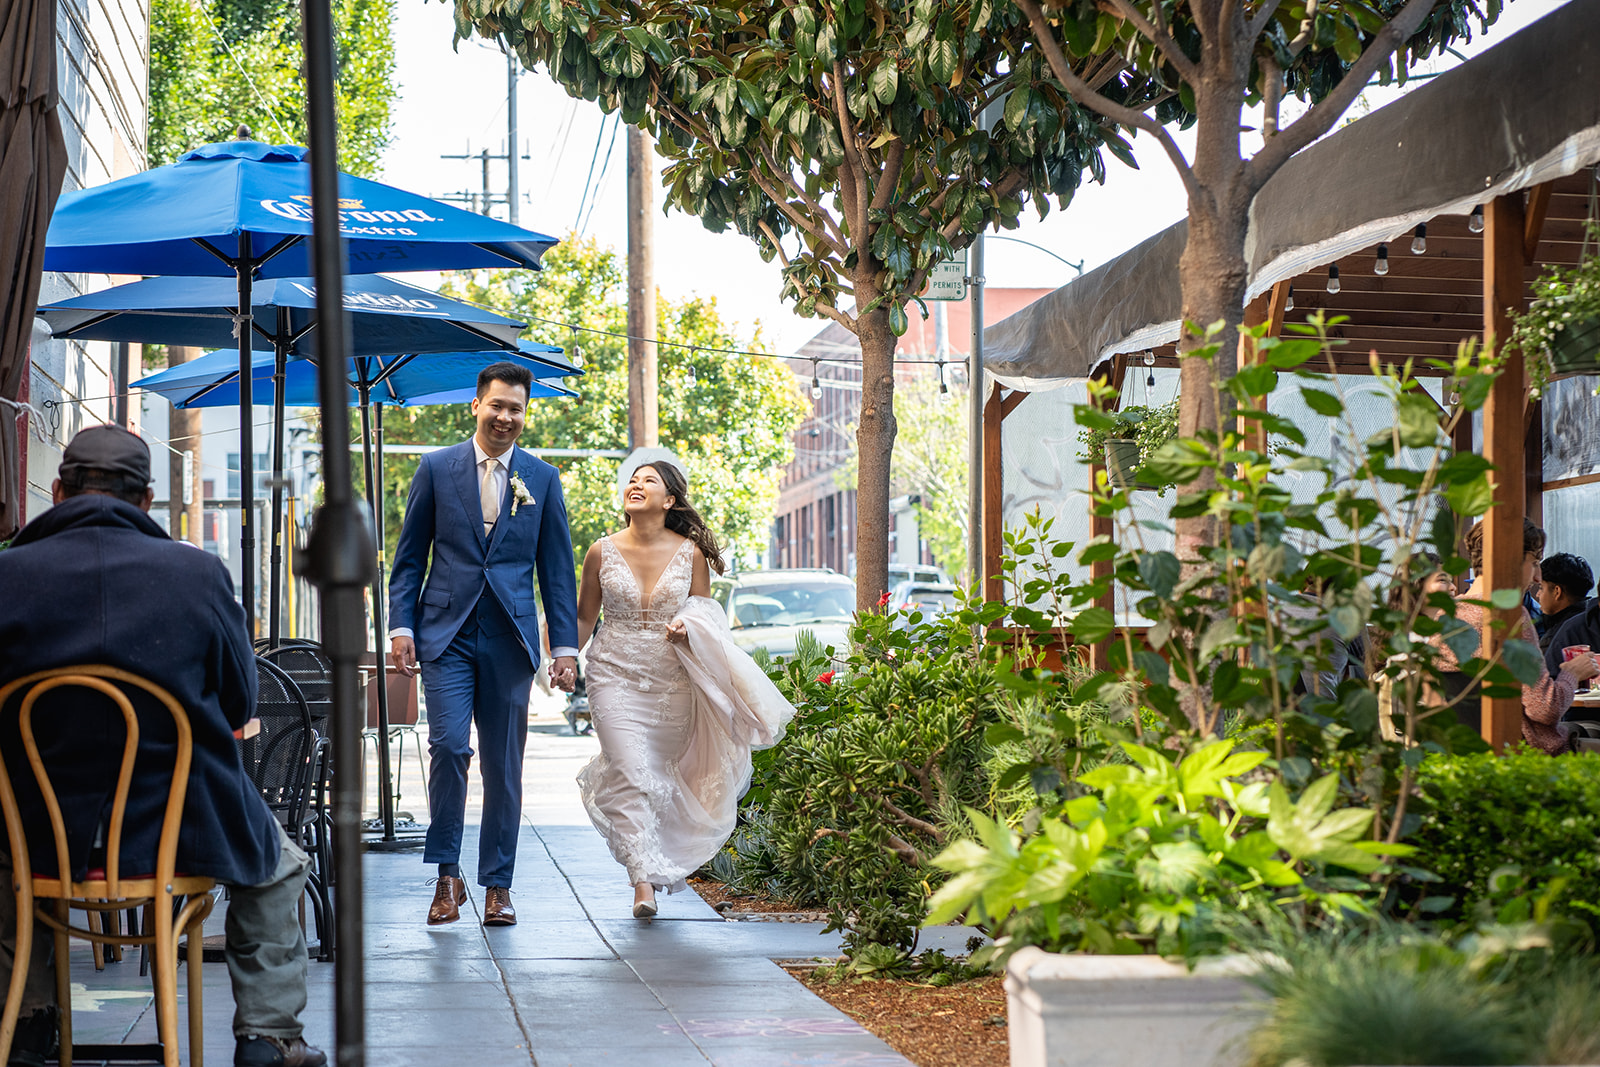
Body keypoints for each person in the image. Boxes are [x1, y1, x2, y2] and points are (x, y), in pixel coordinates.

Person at [0, 426, 324, 1067]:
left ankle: (30, 1021)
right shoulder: (197, 574)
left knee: (7, 866)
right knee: (280, 864)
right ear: (146, 501)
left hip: (34, 824)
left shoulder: (7, 575)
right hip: (176, 827)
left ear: (58, 492)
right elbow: (239, 703)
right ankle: (268, 1036)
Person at [387, 363, 579, 927]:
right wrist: (402, 627)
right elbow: (408, 561)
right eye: (497, 405)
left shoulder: (542, 479)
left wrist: (564, 646)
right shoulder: (436, 468)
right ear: (476, 406)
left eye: (516, 408)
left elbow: (557, 571)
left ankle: (498, 885)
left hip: (510, 639)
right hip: (445, 634)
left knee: (503, 766)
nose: (506, 417)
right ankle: (447, 875)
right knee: (448, 749)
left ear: (525, 414)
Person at [574, 450, 795, 918]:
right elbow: (582, 617)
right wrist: (560, 658)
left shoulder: (690, 552)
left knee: (659, 775)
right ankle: (642, 882)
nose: (636, 485)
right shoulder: (601, 549)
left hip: (671, 679)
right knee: (631, 770)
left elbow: (705, 612)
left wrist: (686, 626)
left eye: (648, 480)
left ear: (669, 498)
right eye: (632, 479)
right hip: (612, 672)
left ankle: (655, 865)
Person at [1429, 519, 1598, 754]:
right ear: (1508, 559)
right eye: (1534, 563)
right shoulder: (1509, 616)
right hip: (1526, 754)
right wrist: (1572, 673)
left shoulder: (1445, 616)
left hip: (1467, 754)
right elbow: (1545, 708)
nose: (1537, 578)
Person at [1534, 552, 1594, 653]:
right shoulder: (1593, 621)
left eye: (1541, 588)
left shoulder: (1557, 638)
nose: (1537, 594)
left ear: (1557, 592)